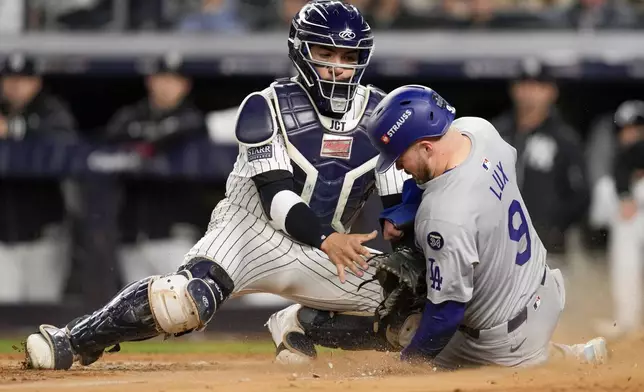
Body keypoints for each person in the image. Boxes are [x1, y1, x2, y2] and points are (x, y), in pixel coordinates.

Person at [24, 0, 411, 370]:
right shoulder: (266, 105)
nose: (337, 67)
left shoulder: (382, 114)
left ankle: (301, 322)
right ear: (301, 50)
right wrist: (328, 238)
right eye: (325, 53)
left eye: (347, 57)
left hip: (326, 250)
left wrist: (408, 246)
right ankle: (73, 339)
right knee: (181, 302)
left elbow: (397, 202)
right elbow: (276, 196)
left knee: (409, 312)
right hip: (249, 232)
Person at [365, 84, 607, 368]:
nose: (398, 167)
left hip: (504, 343)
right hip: (544, 287)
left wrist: (408, 366)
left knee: (407, 337)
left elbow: (446, 314)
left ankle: (532, 362)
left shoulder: (442, 216)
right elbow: (446, 183)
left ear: (427, 147)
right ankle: (573, 357)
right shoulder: (479, 131)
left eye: (399, 157)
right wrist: (406, 210)